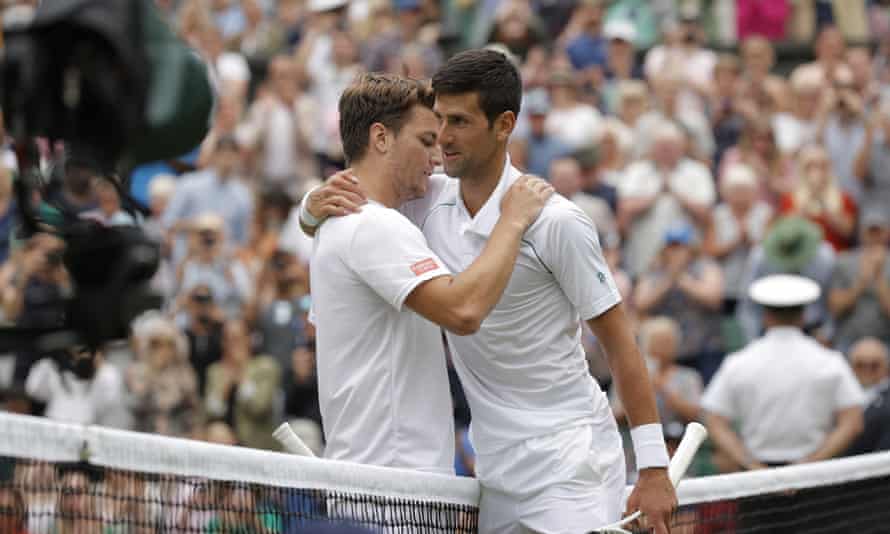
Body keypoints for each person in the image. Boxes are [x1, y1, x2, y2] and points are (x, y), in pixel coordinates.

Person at [302, 50, 674, 534]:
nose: (443, 140)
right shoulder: (423, 202)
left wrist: (652, 467)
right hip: (494, 475)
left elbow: (621, 343)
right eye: (437, 122)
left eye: (459, 121)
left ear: (504, 125)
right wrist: (311, 209)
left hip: (570, 463)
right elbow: (365, 206)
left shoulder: (557, 221)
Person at [310, 72, 552, 475]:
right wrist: (512, 221)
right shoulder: (374, 225)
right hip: (394, 486)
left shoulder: (331, 223)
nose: (436, 157)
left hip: (376, 480)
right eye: (425, 142)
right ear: (381, 138)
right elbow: (464, 311)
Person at [703, 274, 865, 469]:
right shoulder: (829, 361)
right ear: (803, 315)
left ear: (765, 315)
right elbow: (853, 422)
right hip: (813, 476)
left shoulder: (738, 362)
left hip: (756, 479)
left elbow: (714, 421)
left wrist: (752, 465)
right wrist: (811, 463)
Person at [828, 210, 890, 352]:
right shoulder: (844, 261)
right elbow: (835, 309)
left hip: (885, 340)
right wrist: (861, 282)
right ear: (861, 233)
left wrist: (879, 277)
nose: (874, 237)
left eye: (878, 232)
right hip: (849, 340)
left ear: (887, 232)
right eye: (870, 232)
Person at [845, 337, 890, 455]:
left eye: (874, 365)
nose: (867, 370)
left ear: (886, 366)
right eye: (860, 365)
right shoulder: (841, 394)